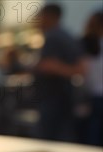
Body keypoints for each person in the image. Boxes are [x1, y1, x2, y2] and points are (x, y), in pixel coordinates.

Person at [33, 4, 86, 141]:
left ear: (49, 16)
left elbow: (48, 66)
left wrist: (49, 67)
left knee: (46, 140)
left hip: (52, 97)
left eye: (41, 16)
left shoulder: (53, 37)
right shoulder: (67, 36)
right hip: (64, 97)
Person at [80, 11, 103, 146]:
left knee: (92, 134)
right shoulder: (90, 44)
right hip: (95, 95)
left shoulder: (86, 44)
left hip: (93, 95)